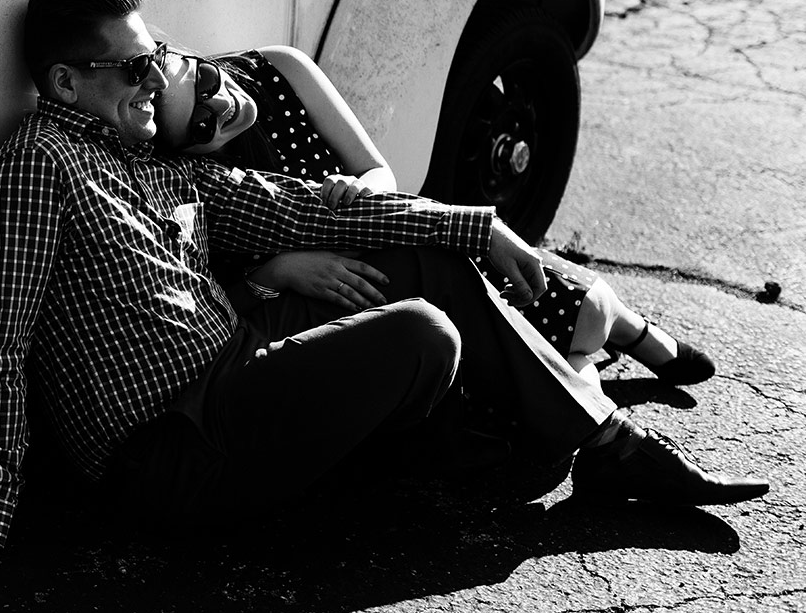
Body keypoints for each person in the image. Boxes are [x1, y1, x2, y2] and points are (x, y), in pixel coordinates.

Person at [0, 0, 767, 584]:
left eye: (158, 56)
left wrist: (482, 224)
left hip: (235, 370)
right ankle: (519, 441)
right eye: (133, 67)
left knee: (428, 260)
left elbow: (316, 210)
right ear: (66, 83)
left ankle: (609, 448)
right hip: (170, 446)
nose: (154, 80)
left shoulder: (159, 166)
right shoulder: (35, 170)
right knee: (421, 330)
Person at [149, 43, 715, 388]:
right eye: (200, 124)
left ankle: (629, 342)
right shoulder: (194, 181)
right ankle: (619, 352)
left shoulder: (278, 66)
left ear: (191, 56)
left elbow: (380, 172)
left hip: (404, 230)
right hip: (361, 291)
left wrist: (360, 187)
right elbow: (207, 299)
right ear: (181, 147)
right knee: (577, 322)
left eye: (204, 81)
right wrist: (277, 272)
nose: (219, 105)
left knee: (580, 314)